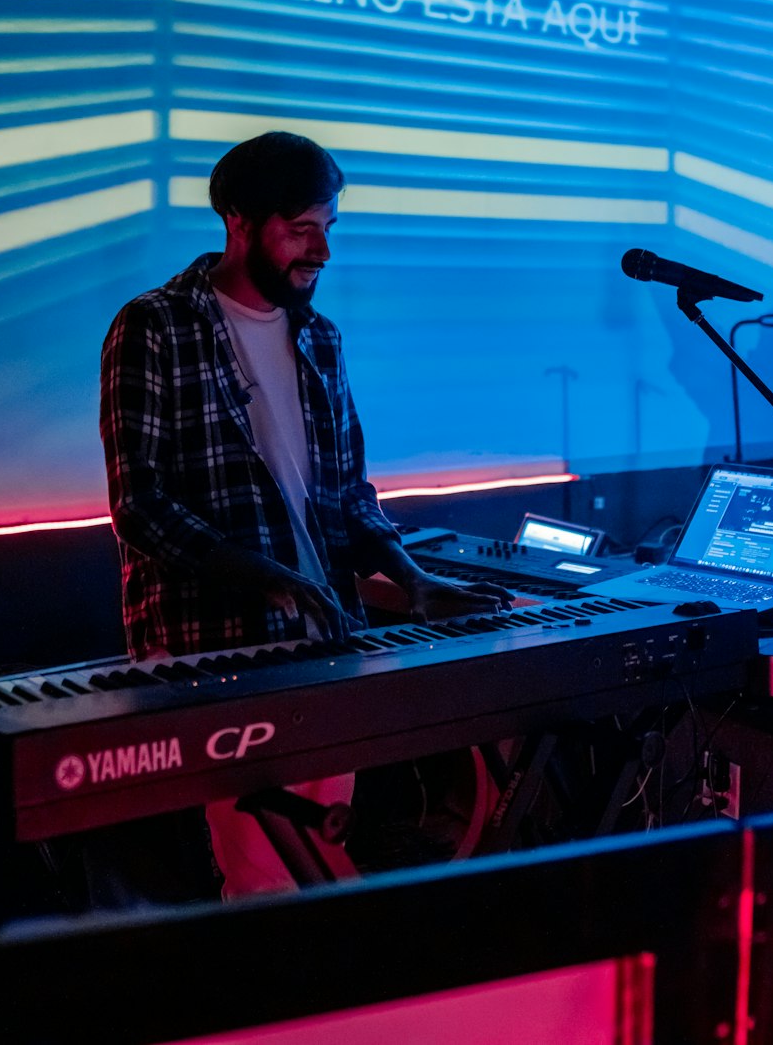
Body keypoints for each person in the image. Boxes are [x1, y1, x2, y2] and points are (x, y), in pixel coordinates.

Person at [100, 130, 509, 893]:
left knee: (316, 872)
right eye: (300, 229)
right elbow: (140, 506)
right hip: (216, 647)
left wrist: (411, 579)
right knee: (268, 879)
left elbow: (350, 494)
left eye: (327, 228)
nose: (319, 250)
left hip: (325, 639)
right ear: (239, 222)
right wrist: (267, 577)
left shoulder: (320, 337)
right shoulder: (153, 326)